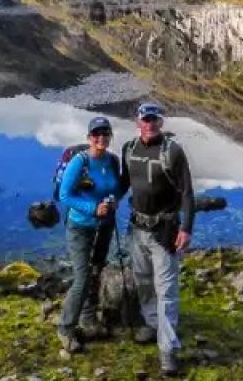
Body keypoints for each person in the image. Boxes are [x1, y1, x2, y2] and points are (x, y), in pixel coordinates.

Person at [120, 102, 194, 378]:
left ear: (161, 123)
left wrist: (186, 228)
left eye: (154, 120)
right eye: (145, 119)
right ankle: (152, 324)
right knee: (143, 281)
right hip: (136, 228)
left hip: (165, 232)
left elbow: (187, 194)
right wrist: (103, 198)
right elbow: (124, 183)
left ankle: (168, 351)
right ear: (137, 121)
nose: (149, 124)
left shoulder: (172, 152)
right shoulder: (128, 149)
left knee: (167, 291)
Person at [57, 115, 121, 352]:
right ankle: (65, 328)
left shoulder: (112, 161)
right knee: (82, 277)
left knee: (96, 271)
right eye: (97, 134)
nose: (101, 138)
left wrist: (114, 201)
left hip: (104, 225)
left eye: (106, 134)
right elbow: (65, 196)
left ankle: (89, 318)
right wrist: (93, 208)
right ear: (89, 138)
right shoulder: (79, 163)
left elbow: (115, 188)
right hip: (80, 226)